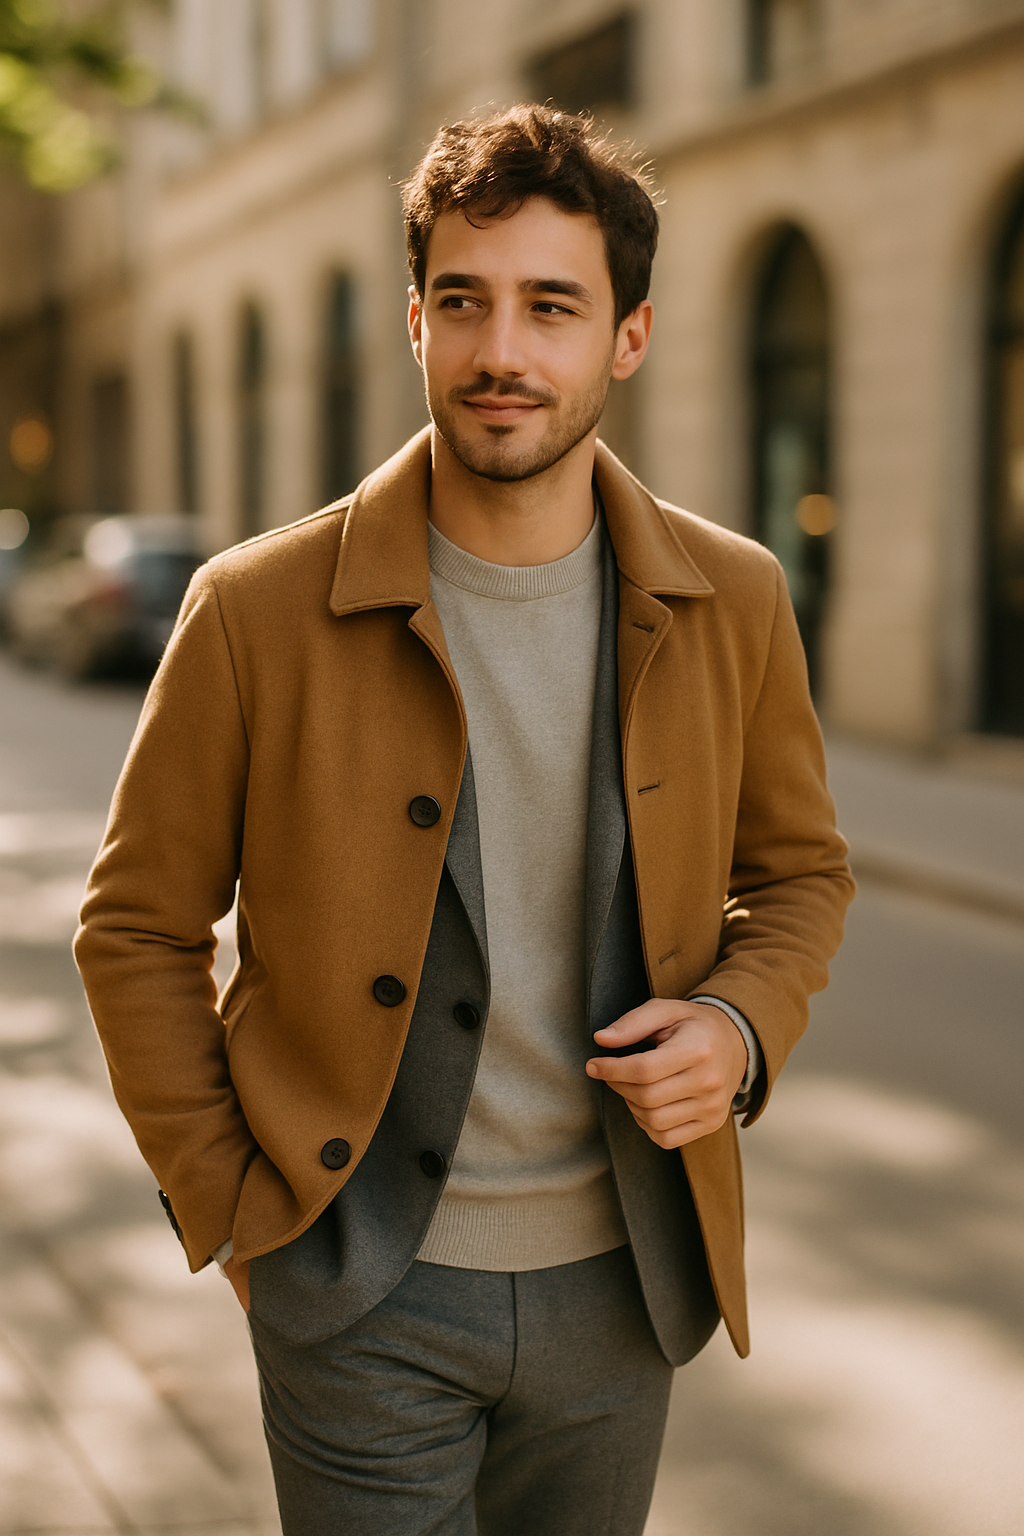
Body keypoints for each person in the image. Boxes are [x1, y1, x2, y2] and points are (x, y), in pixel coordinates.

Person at [75, 105, 854, 1536]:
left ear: (628, 335)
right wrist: (234, 1207)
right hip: (357, 1290)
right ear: (417, 323)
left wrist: (740, 1029)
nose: (504, 351)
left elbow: (800, 875)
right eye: (464, 301)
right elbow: (134, 928)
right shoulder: (252, 611)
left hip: (625, 1287)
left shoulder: (734, 599)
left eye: (553, 306)